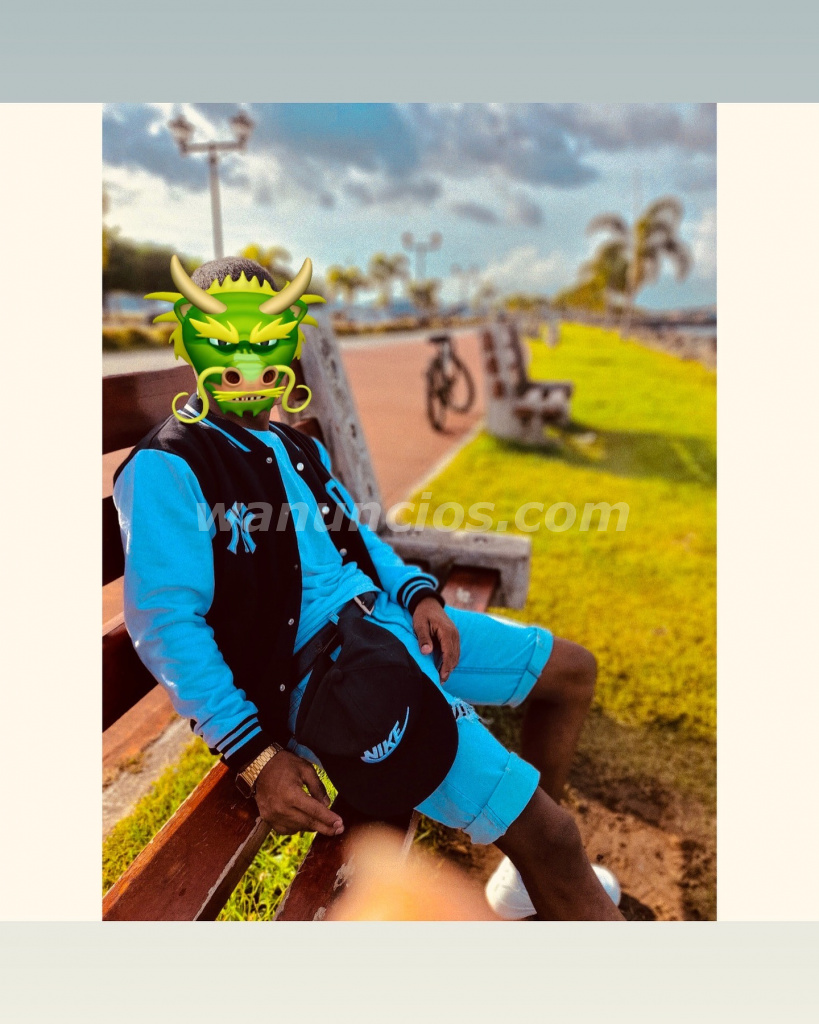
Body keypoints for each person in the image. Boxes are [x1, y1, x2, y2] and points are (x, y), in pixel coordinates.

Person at [114, 254, 623, 921]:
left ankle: (527, 873)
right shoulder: (169, 466)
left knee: (571, 672)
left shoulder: (293, 446)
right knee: (556, 838)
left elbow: (357, 538)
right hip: (329, 677)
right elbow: (165, 623)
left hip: (389, 620)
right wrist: (255, 755)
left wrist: (419, 594)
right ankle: (537, 852)